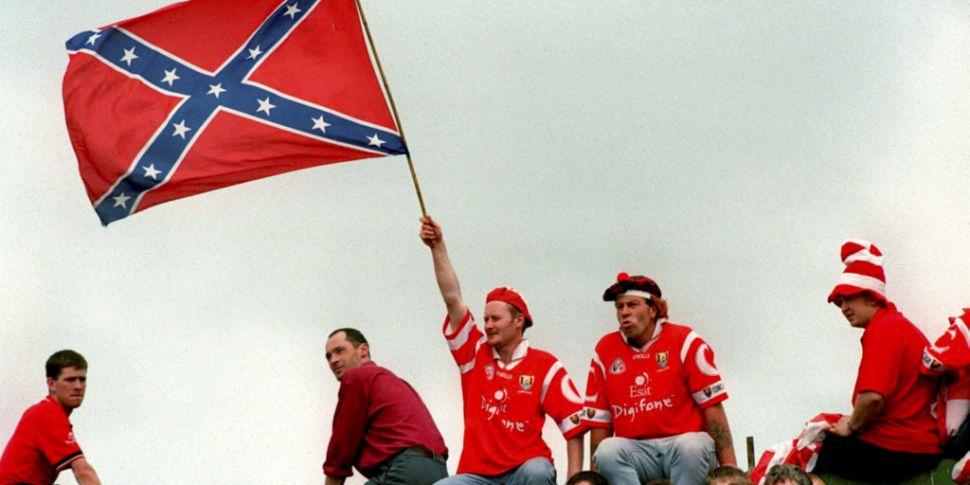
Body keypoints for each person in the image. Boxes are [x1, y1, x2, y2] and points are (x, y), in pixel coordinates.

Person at [420, 215, 585, 484]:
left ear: (518, 321)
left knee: (539, 470)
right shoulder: (474, 352)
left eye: (495, 319)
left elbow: (574, 425)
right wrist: (437, 246)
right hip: (477, 476)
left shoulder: (544, 364)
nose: (488, 325)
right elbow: (452, 298)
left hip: (524, 471)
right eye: (485, 319)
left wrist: (576, 480)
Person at [583, 272, 737, 485]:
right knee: (608, 450)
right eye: (620, 307)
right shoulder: (605, 349)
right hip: (638, 453)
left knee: (690, 445)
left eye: (632, 305)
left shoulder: (685, 341)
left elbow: (713, 406)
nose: (625, 313)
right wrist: (594, 479)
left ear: (654, 309)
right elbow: (600, 421)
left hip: (684, 448)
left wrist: (730, 466)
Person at [811, 239, 942, 480]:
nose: (843, 307)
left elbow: (872, 398)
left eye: (848, 298)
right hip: (917, 446)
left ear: (872, 297)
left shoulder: (882, 330)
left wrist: (851, 426)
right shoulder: (897, 326)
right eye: (840, 301)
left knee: (813, 451)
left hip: (900, 448)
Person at [323, 328, 449, 485]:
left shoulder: (356, 377)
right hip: (439, 472)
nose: (333, 360)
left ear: (363, 350)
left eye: (339, 351)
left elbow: (341, 448)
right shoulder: (396, 382)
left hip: (404, 469)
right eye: (328, 356)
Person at [0, 350, 101, 485]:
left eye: (82, 379)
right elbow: (83, 471)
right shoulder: (46, 412)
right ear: (51, 384)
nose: (78, 386)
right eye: (70, 380)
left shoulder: (51, 413)